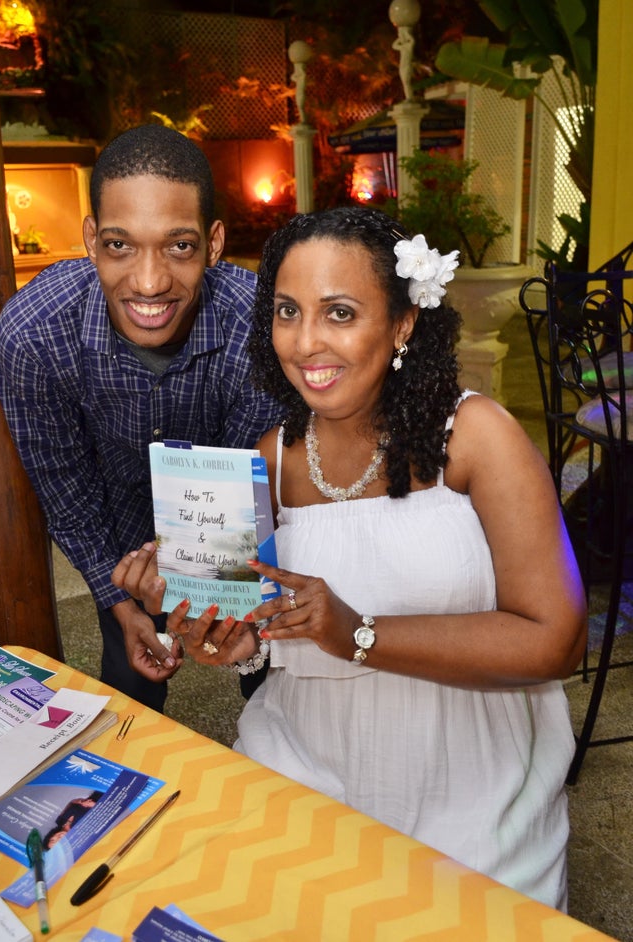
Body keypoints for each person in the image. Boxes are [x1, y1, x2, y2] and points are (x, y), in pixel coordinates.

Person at [113, 206, 588, 910]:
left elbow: (558, 641)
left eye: (339, 313)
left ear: (401, 324)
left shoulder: (478, 437)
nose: (305, 343)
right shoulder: (265, 462)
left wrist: (357, 632)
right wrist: (217, 633)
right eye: (286, 311)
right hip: (303, 762)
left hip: (468, 785)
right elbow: (257, 633)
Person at [0, 124, 284, 711]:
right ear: (92, 238)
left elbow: (244, 496)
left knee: (273, 679)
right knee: (125, 691)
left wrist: (225, 612)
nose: (149, 284)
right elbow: (67, 492)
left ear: (215, 243)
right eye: (121, 246)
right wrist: (124, 604)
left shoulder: (259, 328)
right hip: (115, 530)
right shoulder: (34, 336)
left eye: (179, 246)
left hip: (233, 527)